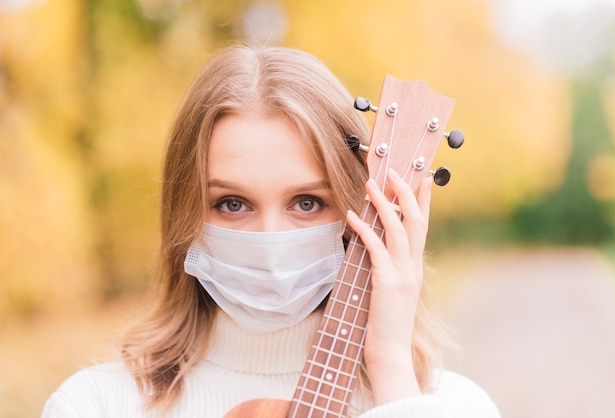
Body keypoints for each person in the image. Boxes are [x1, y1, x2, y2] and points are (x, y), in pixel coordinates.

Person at [42, 43, 500, 417]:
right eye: (232, 203)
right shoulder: (95, 405)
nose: (269, 244)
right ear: (183, 217)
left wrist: (390, 372)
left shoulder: (455, 406)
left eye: (307, 203)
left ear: (359, 213)